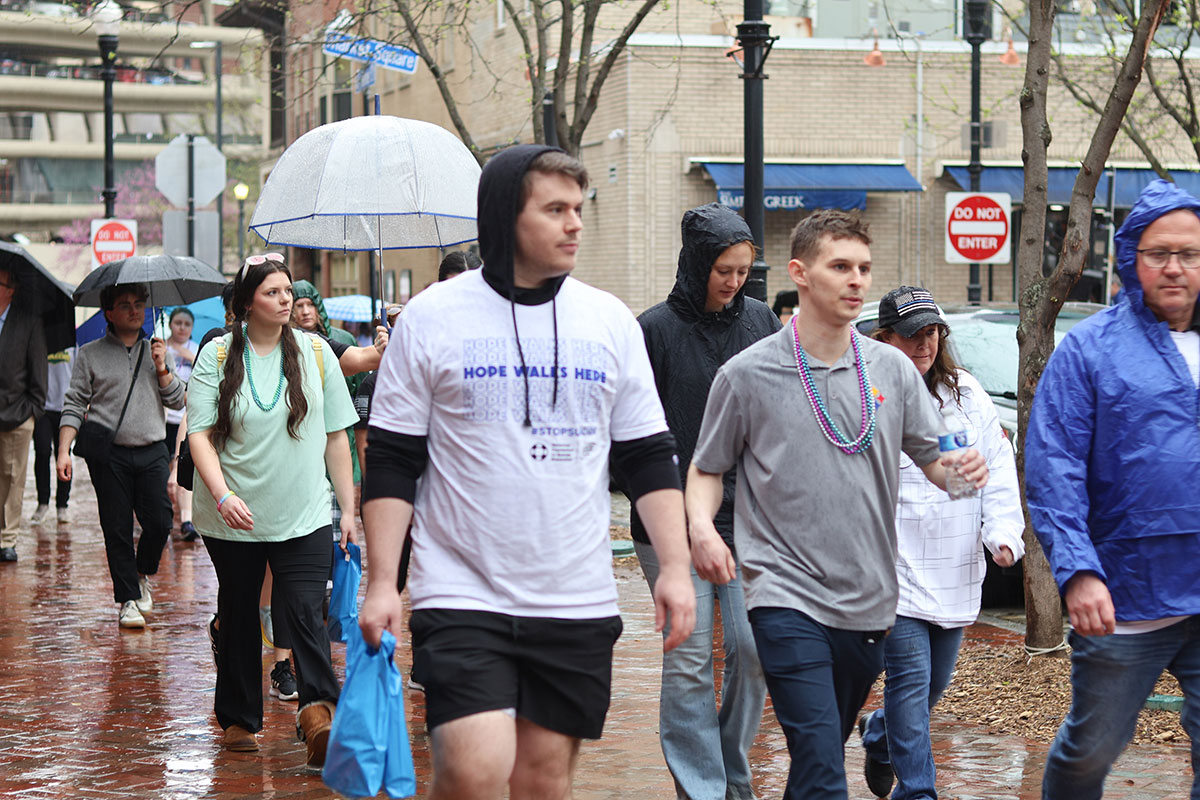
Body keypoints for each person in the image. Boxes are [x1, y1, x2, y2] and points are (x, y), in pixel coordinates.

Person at [360, 145, 696, 800]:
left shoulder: (608, 322)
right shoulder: (431, 319)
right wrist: (380, 583)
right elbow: (394, 459)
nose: (574, 224)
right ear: (504, 217)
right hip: (461, 589)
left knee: (543, 779)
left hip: (574, 593)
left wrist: (677, 569)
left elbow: (649, 454)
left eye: (578, 209)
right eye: (555, 210)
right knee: (472, 770)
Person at [684, 209, 989, 800]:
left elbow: (936, 459)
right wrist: (700, 526)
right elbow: (707, 469)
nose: (856, 280)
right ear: (800, 272)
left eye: (864, 268)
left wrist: (962, 474)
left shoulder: (893, 369)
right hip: (782, 593)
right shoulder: (746, 374)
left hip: (869, 602)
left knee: (816, 759)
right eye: (840, 266)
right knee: (826, 770)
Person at [1026, 179, 1200, 799]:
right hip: (1125, 591)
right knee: (1092, 747)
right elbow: (1055, 468)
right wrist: (1077, 572)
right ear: (1132, 258)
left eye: (1190, 252)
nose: (1175, 267)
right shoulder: (1090, 351)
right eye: (1159, 253)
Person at [630, 203, 778, 800]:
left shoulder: (763, 324)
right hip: (669, 525)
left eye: (744, 270)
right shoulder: (654, 331)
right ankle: (702, 789)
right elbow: (632, 434)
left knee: (753, 648)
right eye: (724, 269)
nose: (734, 282)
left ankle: (732, 775)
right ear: (697, 264)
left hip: (748, 520)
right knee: (689, 662)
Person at [187, 253, 358, 763]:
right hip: (232, 515)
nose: (285, 300)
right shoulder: (217, 356)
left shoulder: (316, 353)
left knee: (306, 609)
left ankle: (317, 714)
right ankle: (240, 719)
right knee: (239, 612)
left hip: (303, 512)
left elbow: (335, 436)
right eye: (273, 293)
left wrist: (348, 508)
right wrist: (222, 494)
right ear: (246, 303)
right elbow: (198, 434)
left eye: (288, 291)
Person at [857, 286, 1025, 800]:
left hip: (953, 565)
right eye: (911, 335)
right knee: (910, 681)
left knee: (930, 688)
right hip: (895, 563)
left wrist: (1002, 533)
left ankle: (881, 735)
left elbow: (994, 469)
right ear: (884, 338)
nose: (923, 344)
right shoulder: (868, 393)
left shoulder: (968, 394)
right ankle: (919, 791)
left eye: (931, 333)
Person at [58, 284, 184, 627]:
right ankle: (128, 599)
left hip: (153, 449)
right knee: (116, 527)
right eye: (125, 305)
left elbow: (177, 401)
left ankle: (141, 573)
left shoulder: (158, 351)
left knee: (159, 520)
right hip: (108, 455)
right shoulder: (90, 354)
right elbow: (73, 404)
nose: (134, 311)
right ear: (109, 313)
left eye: (139, 304)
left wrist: (161, 367)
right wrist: (64, 451)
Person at [0, 264, 48, 563]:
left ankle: (7, 538)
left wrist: (32, 410)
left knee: (13, 476)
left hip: (18, 413)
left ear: (10, 289)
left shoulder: (28, 322)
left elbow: (38, 373)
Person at [163, 307, 200, 541]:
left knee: (182, 466)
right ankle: (166, 516)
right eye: (178, 323)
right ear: (170, 324)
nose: (182, 328)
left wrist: (188, 357)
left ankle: (186, 520)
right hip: (164, 418)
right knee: (165, 470)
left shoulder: (197, 350)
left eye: (187, 324)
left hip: (187, 418)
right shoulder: (159, 348)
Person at [31, 349, 72, 527]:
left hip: (67, 407)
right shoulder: (40, 342)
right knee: (42, 451)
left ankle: (62, 505)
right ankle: (43, 503)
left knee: (64, 455)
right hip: (43, 408)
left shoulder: (74, 344)